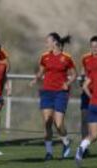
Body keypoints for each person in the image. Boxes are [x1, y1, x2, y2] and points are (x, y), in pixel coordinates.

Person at [30, 32, 77, 161]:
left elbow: (74, 75)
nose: (46, 44)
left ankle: (66, 142)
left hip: (61, 93)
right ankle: (49, 152)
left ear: (55, 42)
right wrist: (36, 79)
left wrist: (67, 83)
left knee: (59, 122)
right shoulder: (44, 57)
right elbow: (40, 72)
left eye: (48, 41)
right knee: (47, 122)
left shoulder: (66, 57)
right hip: (47, 92)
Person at [80, 36, 97, 156]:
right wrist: (82, 80)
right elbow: (82, 72)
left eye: (96, 46)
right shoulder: (85, 58)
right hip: (87, 94)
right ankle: (84, 148)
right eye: (92, 46)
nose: (94, 48)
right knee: (85, 119)